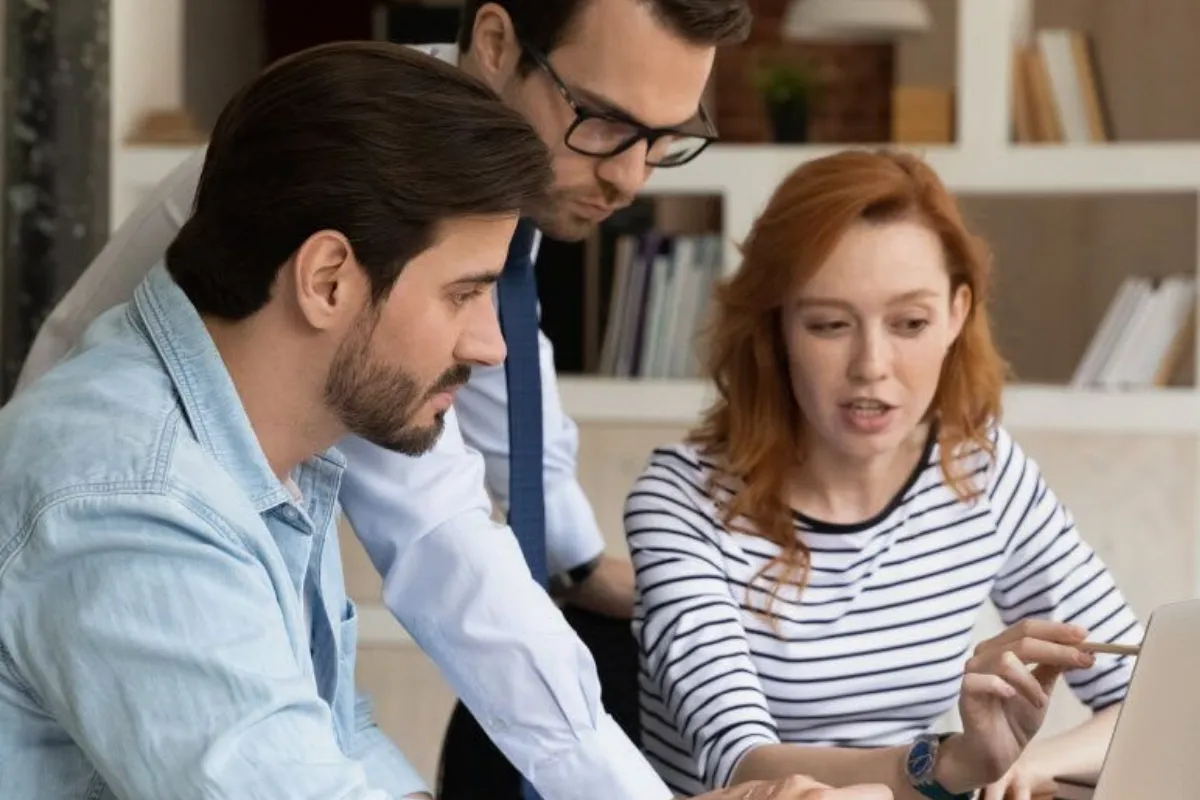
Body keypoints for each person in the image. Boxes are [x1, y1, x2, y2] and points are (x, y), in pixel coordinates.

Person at [12, 1, 825, 799]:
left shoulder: (290, 449)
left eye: (665, 140)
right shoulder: (147, 503)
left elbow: (331, 741)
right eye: (607, 122)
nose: (630, 174)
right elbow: (442, 538)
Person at [0, 41, 553, 798]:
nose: (491, 346)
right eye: (464, 294)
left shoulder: (266, 445)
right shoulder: (133, 496)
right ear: (327, 280)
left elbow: (332, 743)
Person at [624, 149, 1144, 800]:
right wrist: (945, 765)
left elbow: (1153, 695)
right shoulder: (679, 502)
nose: (872, 364)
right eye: (830, 324)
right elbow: (743, 764)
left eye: (910, 323)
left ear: (957, 313)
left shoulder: (983, 471)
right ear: (776, 325)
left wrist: (1025, 763)